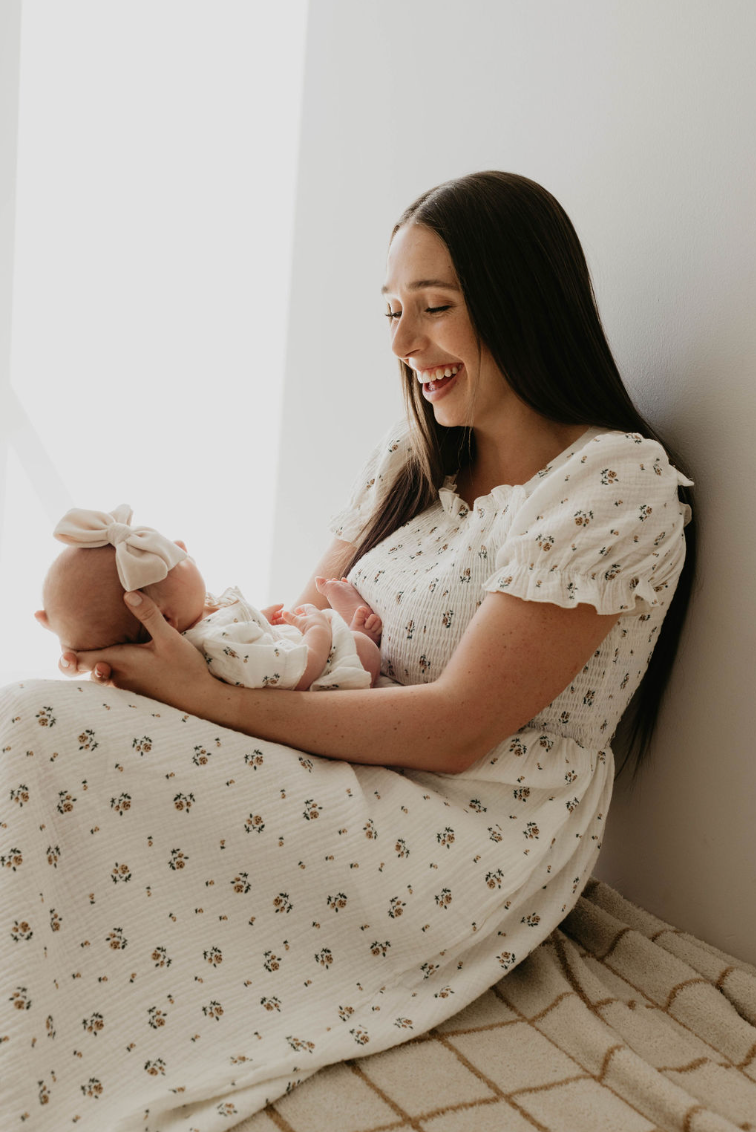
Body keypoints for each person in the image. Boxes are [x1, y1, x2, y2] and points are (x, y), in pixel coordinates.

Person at [0, 171, 695, 1130]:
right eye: (393, 312)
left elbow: (457, 729)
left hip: (462, 824)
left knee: (37, 734)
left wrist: (211, 701)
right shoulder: (410, 461)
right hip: (338, 757)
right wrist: (165, 651)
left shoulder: (610, 485)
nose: (405, 345)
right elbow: (295, 626)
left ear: (524, 301)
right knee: (54, 722)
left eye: (435, 308)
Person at [35, 504, 383, 690]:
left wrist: (258, 620)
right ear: (165, 619)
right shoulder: (219, 645)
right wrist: (317, 631)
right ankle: (357, 630)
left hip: (275, 649)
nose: (183, 546)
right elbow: (301, 673)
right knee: (363, 653)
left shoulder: (197, 623)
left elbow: (245, 639)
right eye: (177, 559)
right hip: (318, 675)